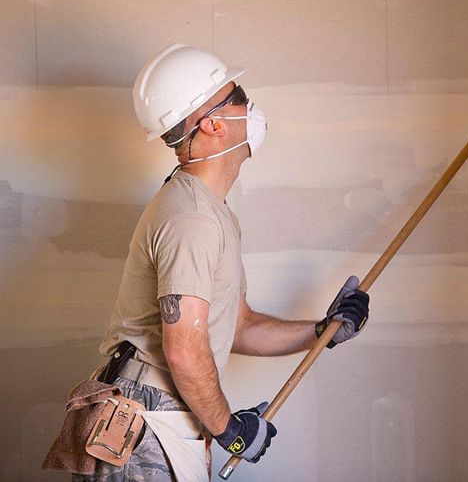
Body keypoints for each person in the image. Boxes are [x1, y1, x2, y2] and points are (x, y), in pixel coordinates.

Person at [77, 43, 370, 481]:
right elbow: (184, 349)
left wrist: (322, 331)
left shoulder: (209, 211)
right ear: (212, 123)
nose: (250, 107)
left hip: (164, 411)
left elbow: (238, 325)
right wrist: (230, 430)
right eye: (240, 97)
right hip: (147, 419)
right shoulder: (192, 218)